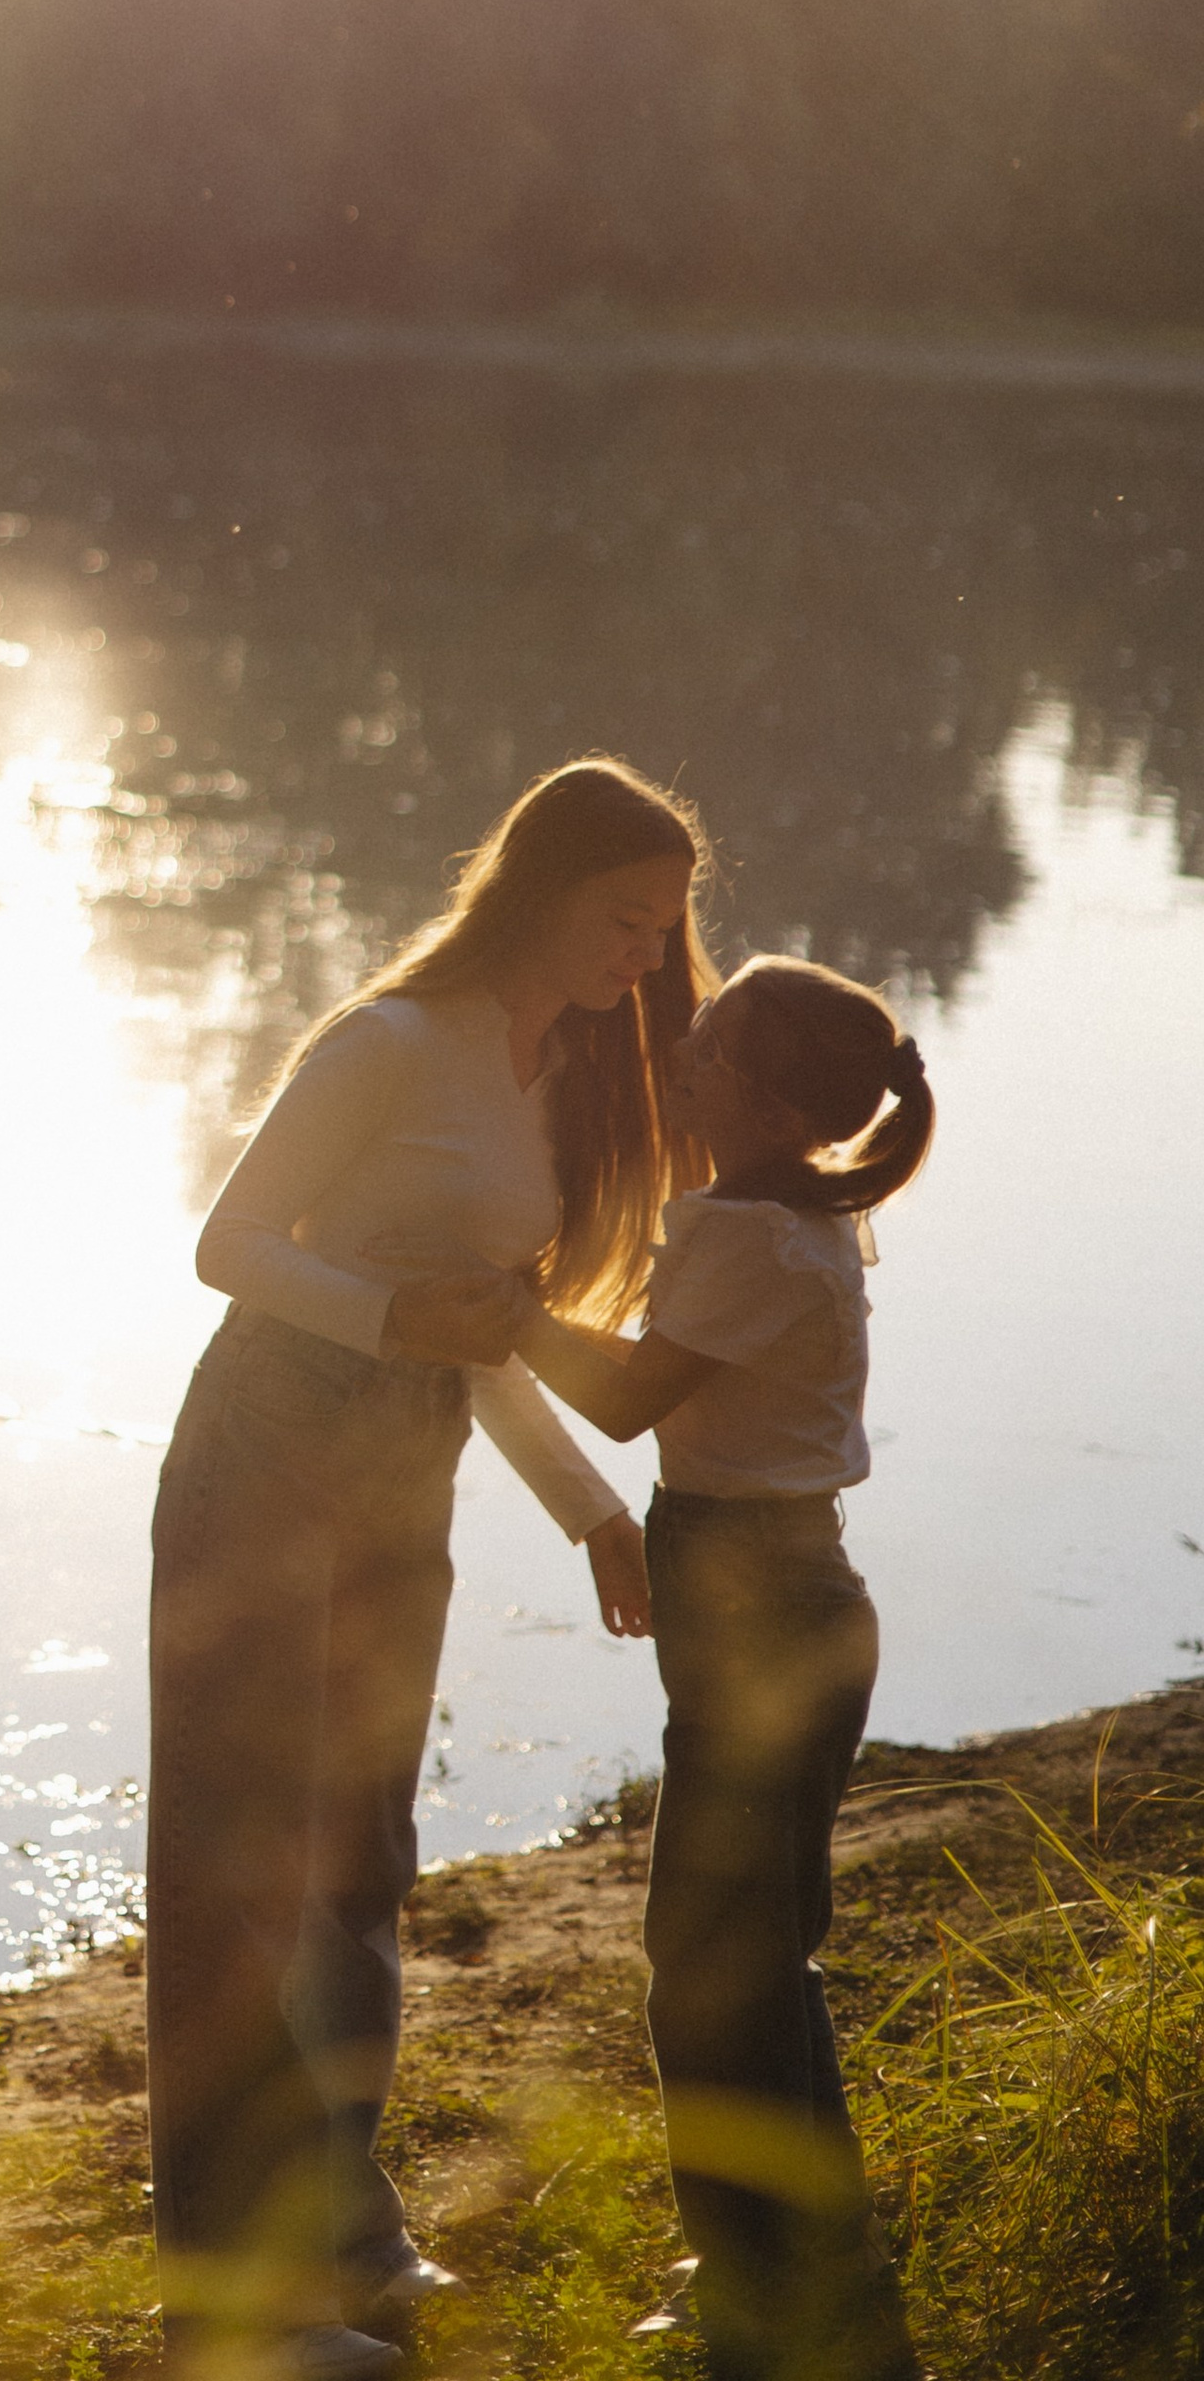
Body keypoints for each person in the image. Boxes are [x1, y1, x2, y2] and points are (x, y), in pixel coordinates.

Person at [147, 756, 714, 2381]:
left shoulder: (563, 1071)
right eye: (624, 920)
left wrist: (590, 1509)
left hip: (409, 1461)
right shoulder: (389, 1043)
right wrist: (391, 1316)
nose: (645, 957)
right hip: (269, 1443)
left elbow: (487, 1327)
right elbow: (227, 1245)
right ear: (538, 892)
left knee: (359, 1856)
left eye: (663, 929)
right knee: (239, 1872)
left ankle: (344, 2227)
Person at [507, 956, 934, 2381]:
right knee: (759, 1952)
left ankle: (759, 2280)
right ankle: (806, 2250)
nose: (680, 1057)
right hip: (784, 1591)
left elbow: (628, 1400)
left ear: (768, 1101)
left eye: (707, 1048)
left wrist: (503, 1309)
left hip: (761, 1604)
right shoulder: (788, 1214)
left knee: (705, 1963)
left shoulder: (753, 1231)